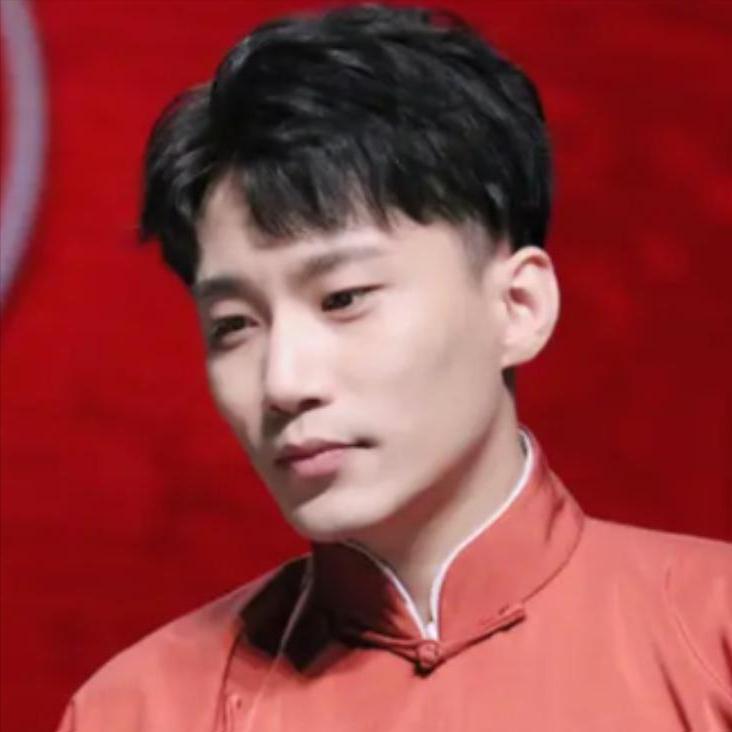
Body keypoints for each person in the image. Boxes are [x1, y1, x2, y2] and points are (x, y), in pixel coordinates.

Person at [56, 4, 731, 730]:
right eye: (234, 325)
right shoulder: (138, 711)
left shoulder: (712, 636)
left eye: (343, 298)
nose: (283, 383)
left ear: (518, 307)